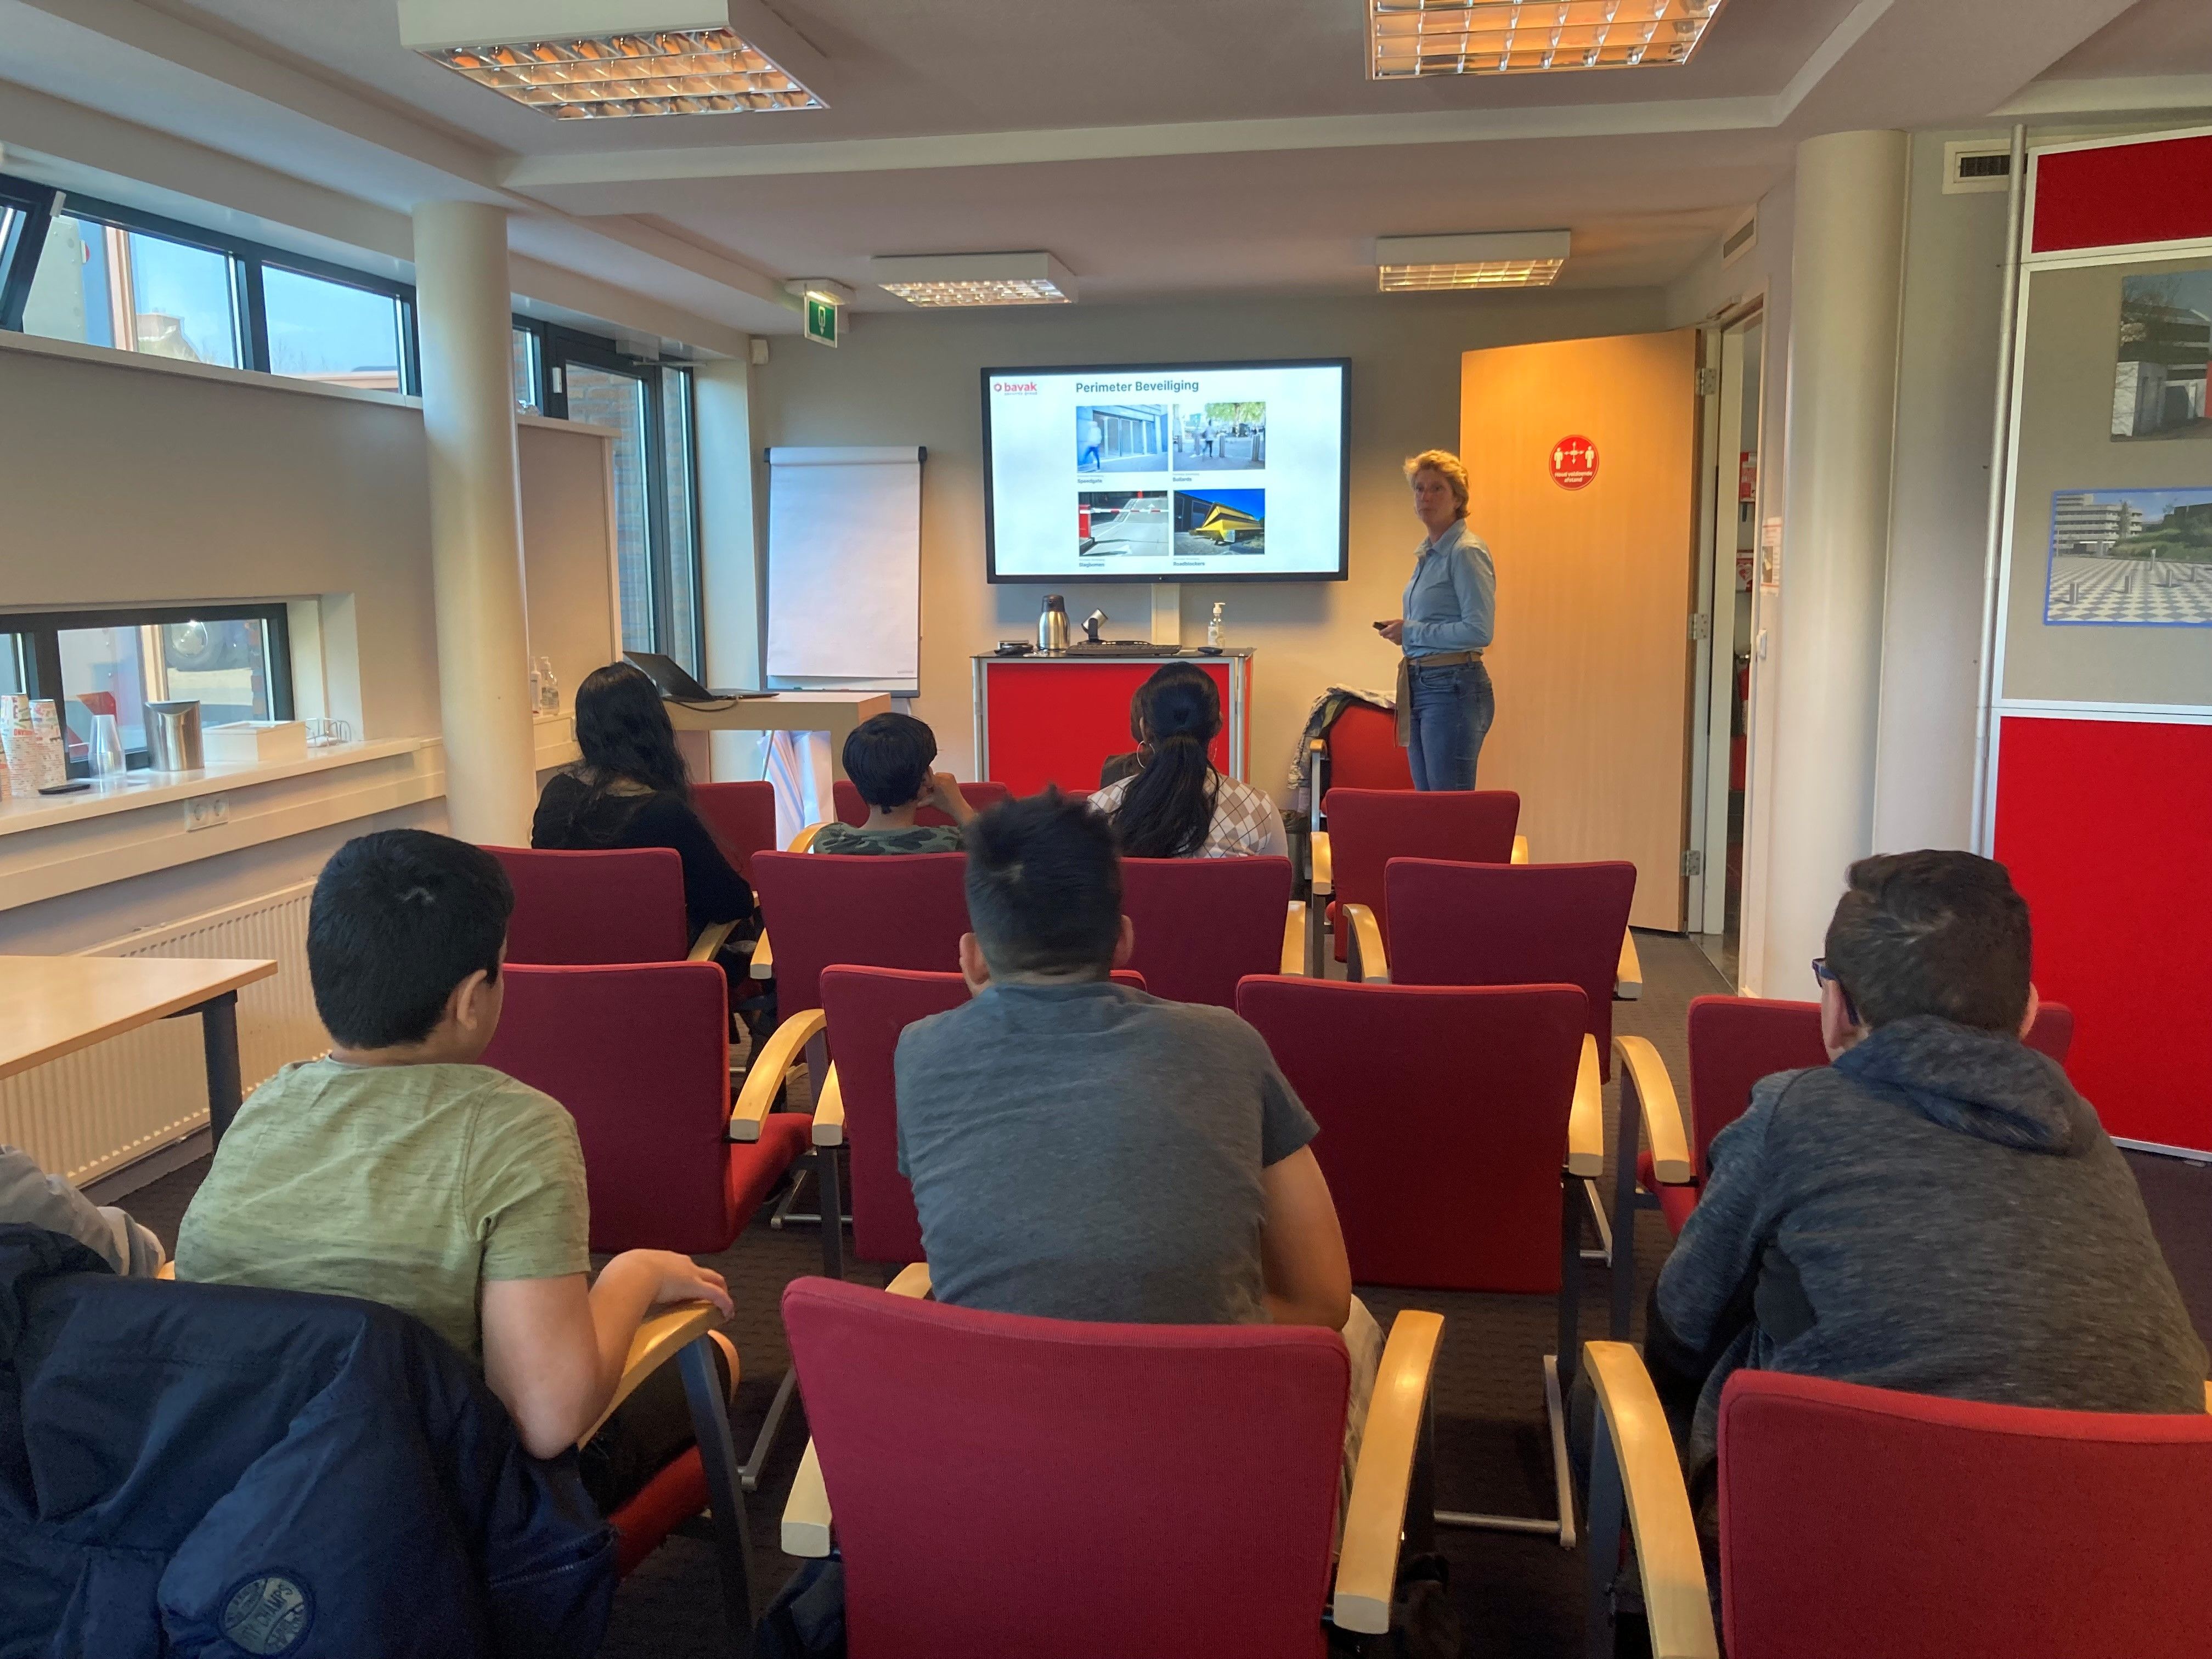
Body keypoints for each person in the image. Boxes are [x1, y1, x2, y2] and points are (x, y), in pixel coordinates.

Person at [176, 829, 736, 1512]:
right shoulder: (516, 1127)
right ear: (472, 998)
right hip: (429, 1510)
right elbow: (546, 1418)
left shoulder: (262, 1109)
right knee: (711, 1360)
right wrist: (634, 1274)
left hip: (231, 1488)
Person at [1649, 849, 2206, 1494]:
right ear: (2028, 1010)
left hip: (1841, 1537)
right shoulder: (2088, 1139)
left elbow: (1681, 1331)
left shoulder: (1794, 1114)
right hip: (2138, 1532)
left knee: (1616, 1404)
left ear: (1840, 1006)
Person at [894, 791, 1379, 1493]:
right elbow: (1323, 1299)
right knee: (1356, 1328)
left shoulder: (919, 1052)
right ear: (1122, 940)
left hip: (1000, 1472)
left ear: (973, 959)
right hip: (1215, 1476)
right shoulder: (1228, 1043)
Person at [532, 661, 754, 941]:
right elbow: (732, 904)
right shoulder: (663, 814)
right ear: (653, 728)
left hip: (565, 960)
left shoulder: (556, 794)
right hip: (659, 966)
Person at [1378, 449, 1496, 791]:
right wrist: (1404, 631)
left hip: (1453, 686)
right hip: (1421, 684)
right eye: (1419, 488)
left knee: (1447, 808)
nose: (1425, 497)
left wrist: (1412, 632)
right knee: (1428, 805)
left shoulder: (1466, 551)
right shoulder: (1429, 553)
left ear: (1458, 498)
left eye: (1437, 489)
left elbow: (1479, 630)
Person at [1088, 663, 1288, 858]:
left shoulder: (1099, 811)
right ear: (1217, 726)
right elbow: (1278, 879)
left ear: (1145, 729)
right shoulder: (1260, 812)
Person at [809, 712, 977, 854]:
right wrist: (961, 808)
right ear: (926, 778)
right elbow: (992, 858)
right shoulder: (950, 843)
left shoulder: (828, 841)